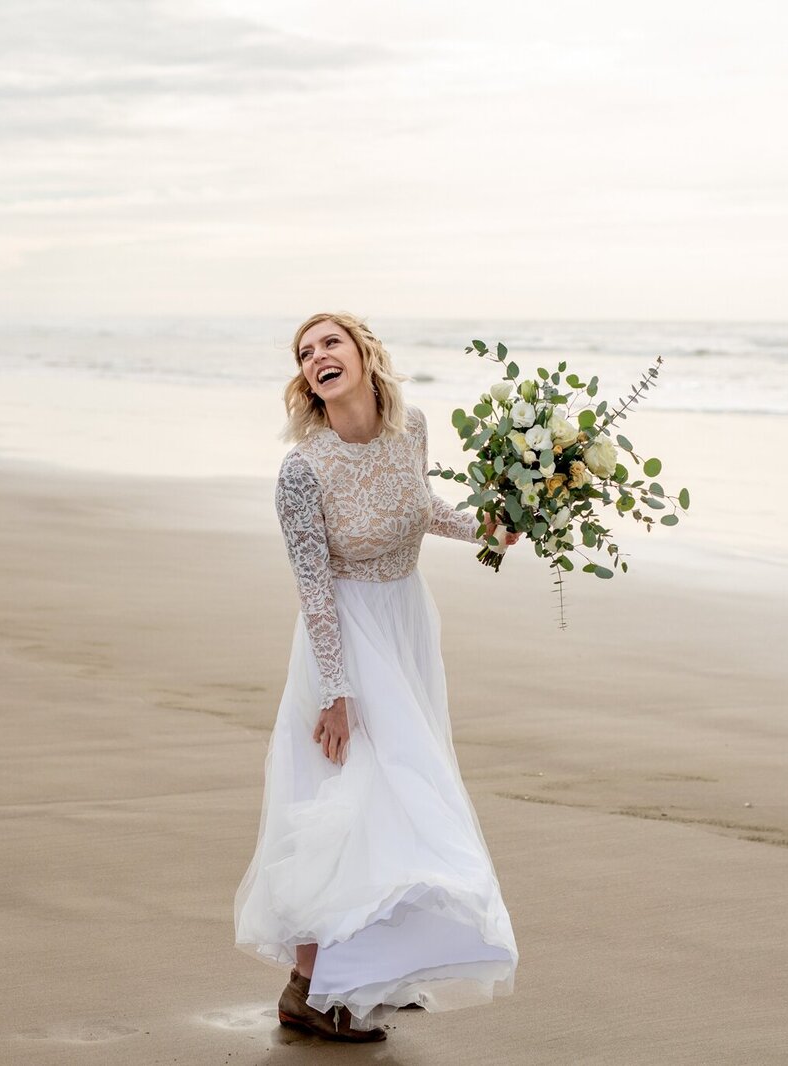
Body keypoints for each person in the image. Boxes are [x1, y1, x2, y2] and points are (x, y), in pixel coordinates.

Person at [234, 312, 522, 1041]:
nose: (317, 356)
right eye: (305, 352)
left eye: (330, 342)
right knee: (340, 802)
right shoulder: (302, 471)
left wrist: (486, 529)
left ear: (364, 353)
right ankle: (309, 988)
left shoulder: (411, 428)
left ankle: (365, 972)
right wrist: (335, 692)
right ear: (306, 381)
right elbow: (313, 587)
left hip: (405, 626)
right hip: (343, 641)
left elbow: (418, 508)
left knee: (399, 797)